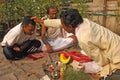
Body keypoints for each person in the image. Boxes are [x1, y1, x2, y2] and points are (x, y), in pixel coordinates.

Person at [60, 9, 120, 80]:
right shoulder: (85, 22)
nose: (62, 27)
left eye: (62, 26)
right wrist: (45, 22)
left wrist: (101, 73)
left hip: (117, 58)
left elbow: (103, 61)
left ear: (70, 27)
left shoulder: (83, 39)